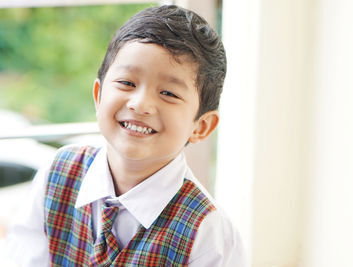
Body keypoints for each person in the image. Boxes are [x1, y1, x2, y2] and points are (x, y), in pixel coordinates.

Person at [5, 5, 245, 266]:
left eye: (169, 93)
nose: (140, 104)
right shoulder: (57, 174)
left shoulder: (209, 233)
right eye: (127, 83)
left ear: (201, 126)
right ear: (98, 96)